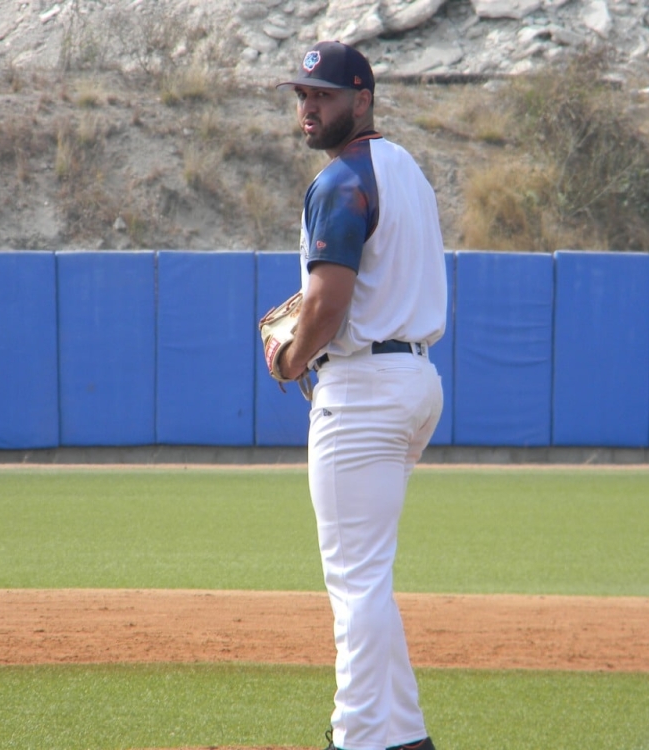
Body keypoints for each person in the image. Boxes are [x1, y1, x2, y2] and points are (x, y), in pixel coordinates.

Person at [273, 41, 447, 750]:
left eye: (324, 96)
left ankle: (356, 738)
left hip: (365, 389)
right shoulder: (406, 170)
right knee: (368, 575)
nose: (310, 108)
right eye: (303, 96)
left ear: (362, 99)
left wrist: (290, 357)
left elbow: (329, 304)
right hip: (412, 380)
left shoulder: (341, 181)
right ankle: (402, 734)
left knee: (355, 582)